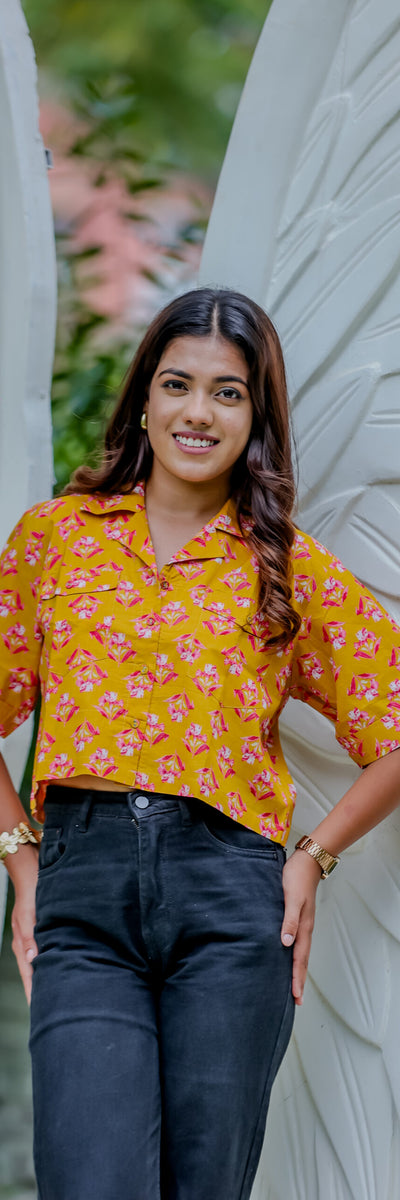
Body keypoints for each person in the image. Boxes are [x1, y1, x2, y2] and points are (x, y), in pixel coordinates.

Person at [1, 287, 400, 1200]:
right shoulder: (57, 540)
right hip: (85, 897)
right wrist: (22, 860)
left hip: (230, 902)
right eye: (178, 383)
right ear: (144, 397)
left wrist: (313, 859)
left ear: (255, 416)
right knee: (90, 1180)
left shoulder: (283, 564)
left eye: (228, 392)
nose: (197, 411)